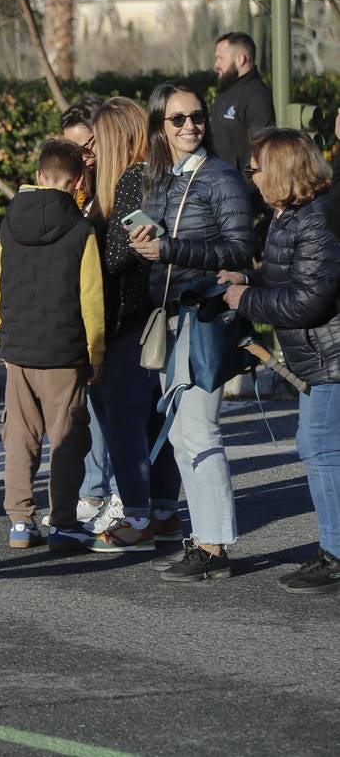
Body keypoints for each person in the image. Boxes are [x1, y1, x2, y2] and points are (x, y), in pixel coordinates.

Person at [130, 81, 252, 582]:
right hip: (171, 319)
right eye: (178, 119)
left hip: (203, 318)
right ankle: (204, 540)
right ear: (160, 126)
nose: (190, 126)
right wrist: (146, 244)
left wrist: (170, 249)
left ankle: (214, 546)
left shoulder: (221, 177)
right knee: (182, 434)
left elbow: (240, 251)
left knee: (199, 430)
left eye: (197, 116)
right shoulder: (162, 179)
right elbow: (164, 250)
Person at [223, 129, 340, 593]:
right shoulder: (290, 215)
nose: (250, 177)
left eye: (254, 169)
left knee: (320, 449)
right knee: (320, 448)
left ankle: (334, 554)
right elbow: (285, 276)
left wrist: (246, 300)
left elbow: (308, 300)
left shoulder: (315, 220)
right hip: (317, 359)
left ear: (279, 171)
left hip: (330, 358)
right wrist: (247, 279)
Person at [0, 139, 105, 551]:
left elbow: (0, 285)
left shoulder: (9, 223)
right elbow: (90, 297)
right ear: (78, 182)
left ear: (39, 176)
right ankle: (62, 522)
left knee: (19, 436)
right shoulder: (81, 229)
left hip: (18, 347)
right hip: (64, 348)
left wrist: (2, 331)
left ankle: (20, 521)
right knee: (66, 438)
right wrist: (96, 352)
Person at [81, 97, 161, 552]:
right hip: (139, 315)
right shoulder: (143, 177)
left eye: (96, 139)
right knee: (147, 417)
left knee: (125, 418)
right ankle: (159, 511)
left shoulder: (132, 179)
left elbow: (116, 256)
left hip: (127, 318)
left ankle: (136, 515)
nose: (90, 149)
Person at [59, 97, 115, 525]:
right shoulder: (71, 186)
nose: (83, 155)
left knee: (109, 405)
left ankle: (104, 492)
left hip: (112, 308)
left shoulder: (115, 185)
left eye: (88, 145)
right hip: (78, 309)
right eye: (73, 148)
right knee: (88, 406)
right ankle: (94, 490)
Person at [208, 33, 274, 178]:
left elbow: (261, 151)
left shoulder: (258, 96)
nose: (216, 65)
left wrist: (247, 186)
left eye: (220, 58)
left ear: (240, 59)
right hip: (218, 184)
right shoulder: (223, 92)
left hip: (243, 189)